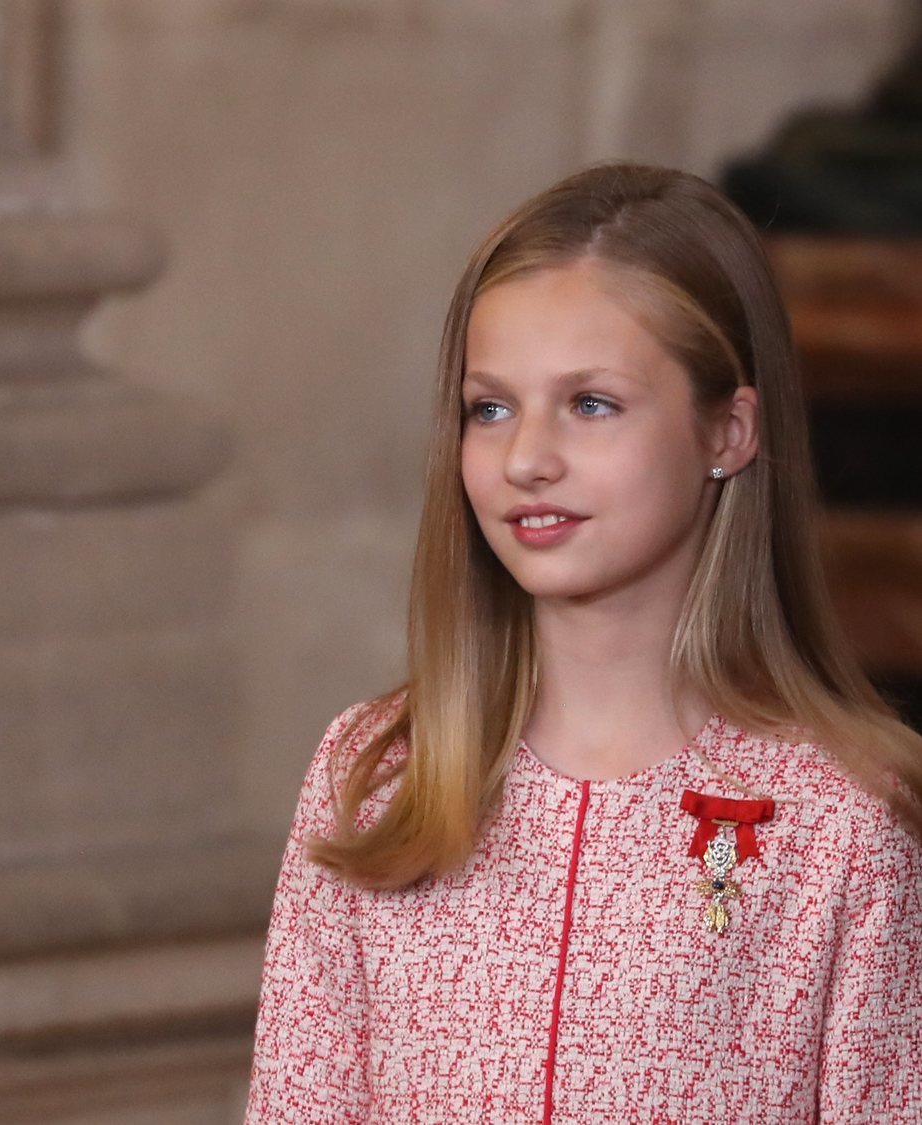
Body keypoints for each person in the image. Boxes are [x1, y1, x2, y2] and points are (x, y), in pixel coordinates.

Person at [245, 163, 922, 1123]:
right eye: (491, 407)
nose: (527, 459)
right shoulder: (375, 775)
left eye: (591, 403)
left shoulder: (842, 825)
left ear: (728, 430)